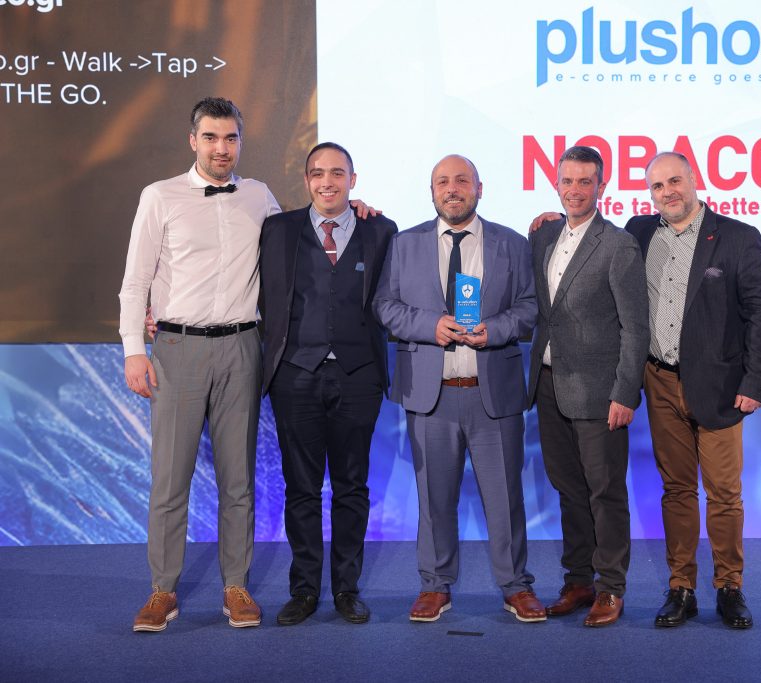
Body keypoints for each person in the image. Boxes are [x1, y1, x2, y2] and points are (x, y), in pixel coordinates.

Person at [120, 97, 279, 632]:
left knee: (239, 482)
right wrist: (134, 349)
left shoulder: (259, 196)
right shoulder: (159, 196)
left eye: (230, 138)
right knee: (170, 480)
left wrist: (353, 211)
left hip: (242, 347)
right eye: (211, 137)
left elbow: (297, 248)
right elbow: (136, 282)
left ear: (240, 142)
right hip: (177, 349)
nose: (221, 148)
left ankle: (236, 585)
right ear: (193, 140)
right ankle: (162, 590)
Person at [373, 155, 544, 623]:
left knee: (505, 497)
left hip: (493, 393)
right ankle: (435, 585)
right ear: (432, 192)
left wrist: (497, 329)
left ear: (479, 188)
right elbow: (385, 306)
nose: (452, 189)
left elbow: (530, 307)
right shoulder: (405, 244)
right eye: (443, 182)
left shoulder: (511, 243)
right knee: (433, 498)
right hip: (431, 394)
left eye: (462, 180)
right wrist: (430, 325)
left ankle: (515, 585)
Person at [625, 152, 761, 629]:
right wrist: (551, 223)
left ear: (694, 180)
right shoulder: (638, 232)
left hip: (720, 386)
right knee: (676, 490)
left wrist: (755, 380)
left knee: (724, 493)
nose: (667, 191)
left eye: (675, 180)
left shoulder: (737, 237)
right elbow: (594, 243)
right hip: (660, 381)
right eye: (657, 186)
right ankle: (682, 588)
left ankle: (729, 587)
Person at [260, 143, 397, 626]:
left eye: (337, 173)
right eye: (317, 173)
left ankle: (346, 589)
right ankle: (303, 590)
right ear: (306, 180)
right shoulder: (276, 230)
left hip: (359, 376)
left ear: (352, 181)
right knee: (301, 488)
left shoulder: (381, 230)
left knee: (351, 487)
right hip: (295, 375)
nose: (327, 182)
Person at [527, 146, 649, 627]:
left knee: (605, 493)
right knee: (568, 490)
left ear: (601, 186)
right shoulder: (543, 235)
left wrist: (625, 392)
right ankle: (578, 581)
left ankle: (611, 587)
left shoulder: (618, 245)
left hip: (600, 392)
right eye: (568, 181)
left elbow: (635, 328)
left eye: (584, 182)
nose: (575, 190)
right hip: (549, 386)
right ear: (556, 184)